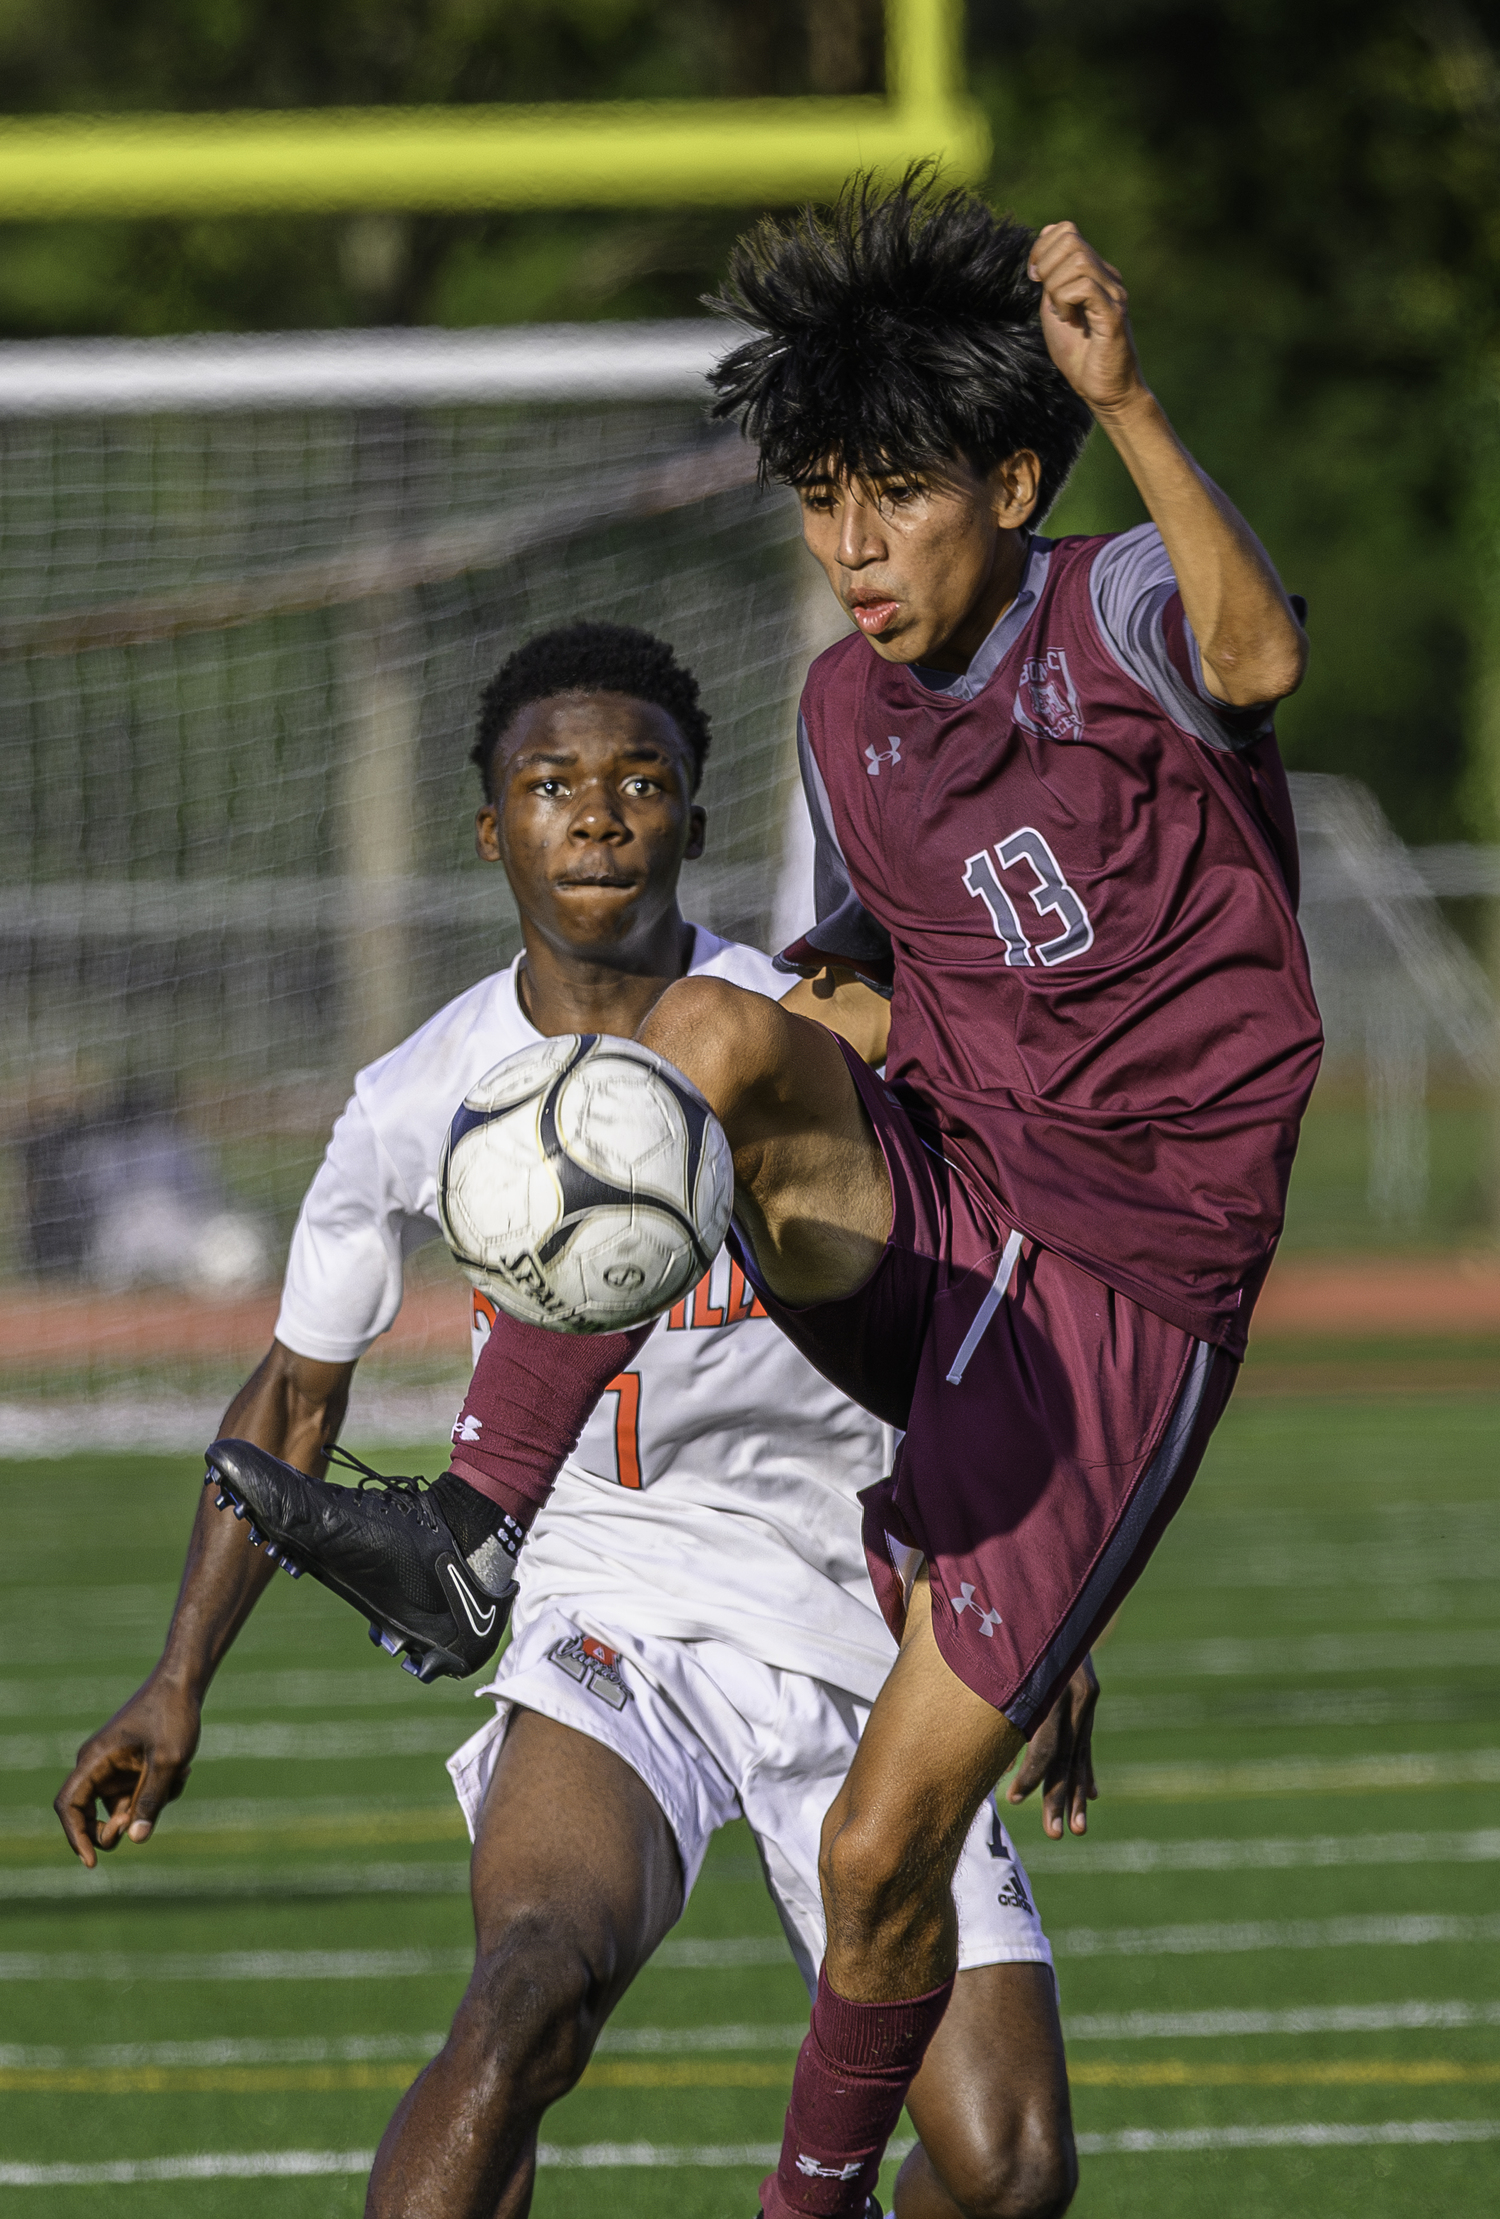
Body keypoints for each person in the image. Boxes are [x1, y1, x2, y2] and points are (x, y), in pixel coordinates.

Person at [200, 169, 1324, 2219]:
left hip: (1121, 1296)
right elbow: (893, 994)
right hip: (951, 1211)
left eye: (890, 496)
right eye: (818, 499)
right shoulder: (839, 712)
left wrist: (1136, 403)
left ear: (1008, 476)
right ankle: (474, 1535)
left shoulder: (1114, 609)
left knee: (891, 1872)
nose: (851, 547)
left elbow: (1255, 658)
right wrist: (790, 1048)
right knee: (709, 1036)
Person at [56, 623, 1101, 2219]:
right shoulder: (419, 1092)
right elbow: (296, 1391)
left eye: (641, 783)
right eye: (552, 785)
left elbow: (977, 1315)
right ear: (493, 828)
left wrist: (1036, 1584)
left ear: (694, 812)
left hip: (861, 1614)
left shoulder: (803, 1037)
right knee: (526, 1994)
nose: (598, 815)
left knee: (1009, 2163)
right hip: (612, 1601)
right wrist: (176, 1678)